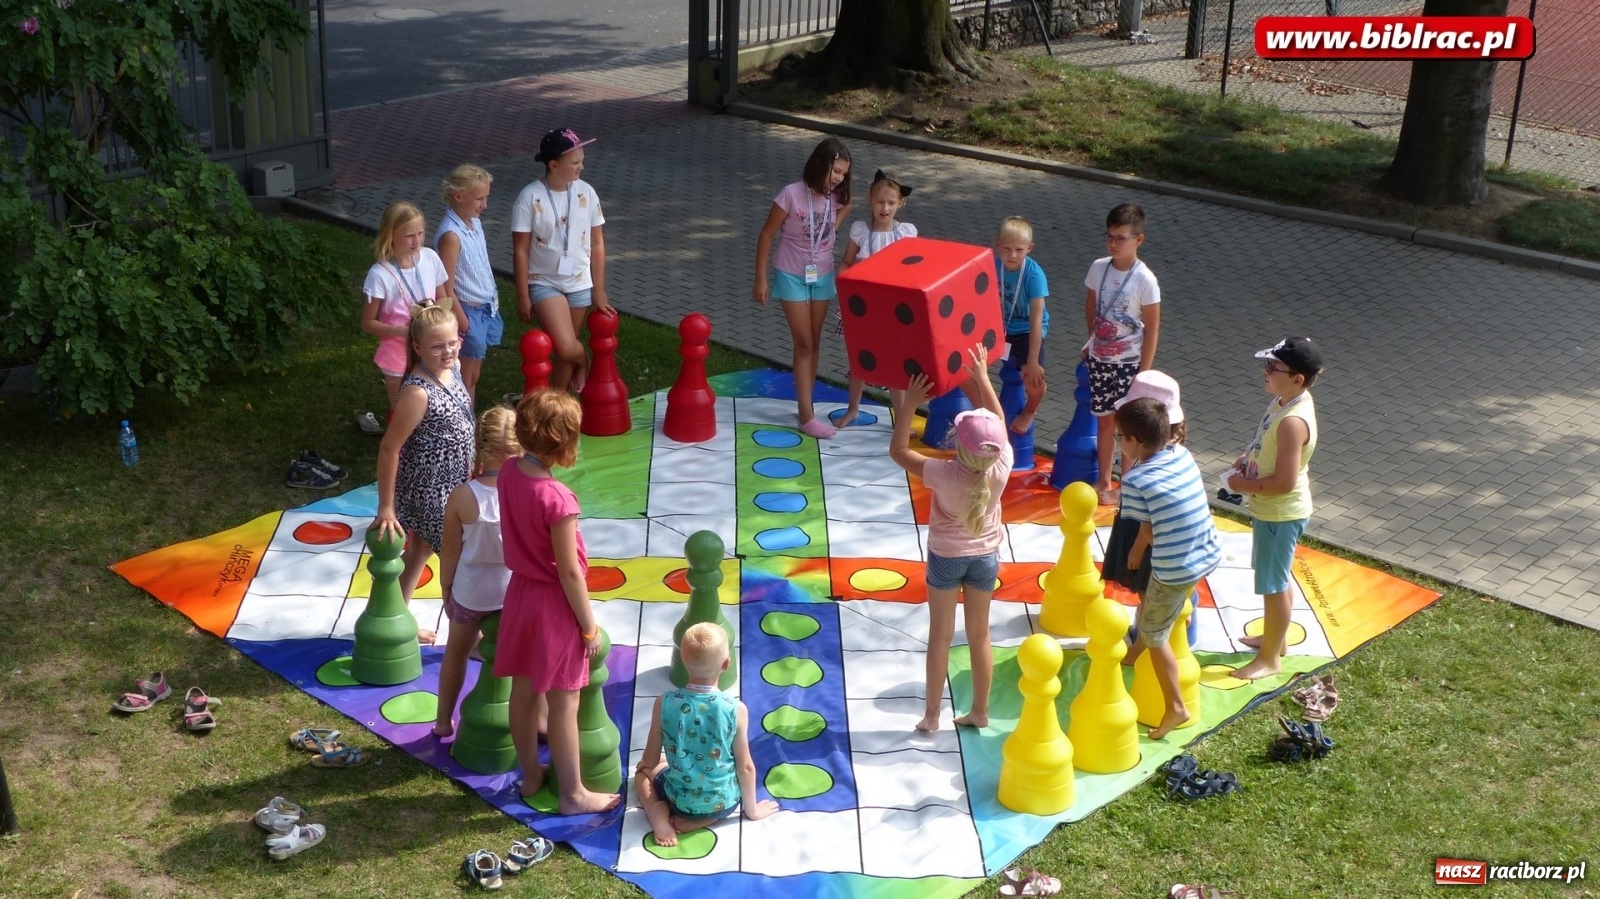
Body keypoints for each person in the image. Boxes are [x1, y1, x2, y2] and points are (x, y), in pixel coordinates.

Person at [496, 389, 621, 816]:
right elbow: (569, 573)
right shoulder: (558, 499)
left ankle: (531, 774)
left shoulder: (509, 470)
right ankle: (573, 794)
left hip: (520, 594)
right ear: (565, 441)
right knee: (565, 703)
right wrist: (588, 627)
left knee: (523, 691)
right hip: (552, 604)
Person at [888, 345, 1012, 733]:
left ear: (957, 443)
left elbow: (898, 450)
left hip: (945, 558)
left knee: (940, 638)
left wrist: (910, 404)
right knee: (980, 635)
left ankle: (931, 715)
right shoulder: (1002, 464)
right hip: (985, 557)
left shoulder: (942, 473)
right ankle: (980, 711)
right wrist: (983, 378)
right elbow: (999, 421)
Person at [1113, 396, 1221, 739]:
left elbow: (1147, 529)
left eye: (1119, 436)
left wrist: (1136, 550)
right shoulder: (1181, 453)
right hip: (1208, 551)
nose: (1118, 442)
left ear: (1134, 441)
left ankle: (1175, 706)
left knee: (1154, 632)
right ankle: (1149, 640)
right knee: (1163, 609)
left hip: (1176, 567)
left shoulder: (1136, 480)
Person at [374, 304, 476, 645]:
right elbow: (389, 449)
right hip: (430, 491)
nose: (447, 351)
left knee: (419, 551)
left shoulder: (453, 368)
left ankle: (395, 617)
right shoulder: (418, 393)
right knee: (460, 561)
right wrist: (387, 507)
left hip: (455, 483)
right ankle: (470, 637)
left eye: (453, 342)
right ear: (417, 348)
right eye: (437, 347)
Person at [1223, 337, 1323, 681]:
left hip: (1279, 514)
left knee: (1273, 585)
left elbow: (1284, 482)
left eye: (1273, 367)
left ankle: (1269, 659)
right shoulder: (1283, 402)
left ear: (1297, 378)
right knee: (1276, 579)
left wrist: (1242, 486)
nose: (1265, 371)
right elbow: (1266, 443)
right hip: (1273, 512)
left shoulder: (1294, 421)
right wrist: (1246, 458)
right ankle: (1275, 641)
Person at [635, 623, 779, 845]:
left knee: (642, 775)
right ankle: (706, 818)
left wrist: (645, 765)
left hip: (680, 801)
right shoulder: (736, 709)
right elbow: (745, 767)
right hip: (725, 802)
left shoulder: (664, 703)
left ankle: (658, 816)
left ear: (682, 660)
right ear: (726, 664)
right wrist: (752, 810)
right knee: (714, 790)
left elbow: (651, 759)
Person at [752, 138, 853, 439]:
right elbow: (766, 235)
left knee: (814, 341)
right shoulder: (790, 194)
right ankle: (806, 416)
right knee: (804, 342)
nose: (839, 178)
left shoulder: (836, 195)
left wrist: (835, 225)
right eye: (836, 171)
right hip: (791, 274)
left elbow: (843, 210)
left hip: (822, 274)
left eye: (844, 173)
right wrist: (760, 278)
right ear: (821, 164)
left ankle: (805, 404)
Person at [433, 406, 522, 740]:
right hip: (514, 595)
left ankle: (443, 721)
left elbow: (449, 552)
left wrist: (446, 589)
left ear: (479, 446)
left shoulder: (462, 496)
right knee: (524, 661)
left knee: (455, 654)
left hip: (470, 594)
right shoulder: (527, 493)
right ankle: (531, 722)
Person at [511, 129, 613, 393]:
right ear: (553, 165)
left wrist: (599, 290)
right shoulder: (529, 196)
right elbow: (520, 250)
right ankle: (584, 360)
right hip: (544, 281)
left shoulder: (587, 192)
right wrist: (523, 296)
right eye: (575, 162)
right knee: (566, 346)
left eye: (581, 160)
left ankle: (557, 400)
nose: (581, 166)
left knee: (564, 350)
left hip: (579, 281)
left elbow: (598, 243)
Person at [1083, 203, 1161, 506]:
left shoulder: (1145, 280)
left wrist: (1144, 372)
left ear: (1138, 240)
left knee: (1127, 427)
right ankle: (1103, 480)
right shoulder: (1098, 267)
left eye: (1121, 238)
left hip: (1129, 363)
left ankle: (1125, 485)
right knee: (1104, 422)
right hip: (1100, 360)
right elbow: (1091, 306)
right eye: (1109, 237)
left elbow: (1152, 329)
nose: (1113, 244)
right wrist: (1092, 341)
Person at [836, 170, 917, 428]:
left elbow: (913, 269)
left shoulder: (906, 234)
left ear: (901, 203)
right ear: (870, 200)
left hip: (894, 308)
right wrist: (846, 281)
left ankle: (901, 418)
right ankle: (853, 409)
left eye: (891, 203)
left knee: (895, 362)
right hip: (864, 306)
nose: (885, 208)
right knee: (860, 357)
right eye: (880, 202)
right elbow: (846, 262)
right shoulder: (860, 230)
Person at [362, 201, 455, 408]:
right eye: (409, 235)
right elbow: (367, 323)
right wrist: (401, 331)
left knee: (435, 400)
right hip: (399, 349)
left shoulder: (430, 257)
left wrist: (435, 315)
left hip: (432, 343)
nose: (417, 241)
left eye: (420, 234)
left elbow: (442, 296)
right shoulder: (379, 274)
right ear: (391, 235)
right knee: (402, 406)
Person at [436, 164, 500, 404]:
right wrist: (465, 324)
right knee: (466, 378)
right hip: (468, 311)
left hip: (484, 307)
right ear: (459, 196)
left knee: (473, 375)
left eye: (487, 197)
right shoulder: (451, 236)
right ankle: (465, 420)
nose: (485, 205)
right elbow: (446, 286)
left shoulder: (475, 223)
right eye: (479, 198)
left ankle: (467, 418)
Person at [994, 216, 1050, 436]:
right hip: (1001, 326)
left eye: (1019, 250)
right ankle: (986, 406)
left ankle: (1030, 410)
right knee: (969, 361)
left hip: (1027, 330)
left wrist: (1033, 361)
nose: (1012, 255)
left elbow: (1036, 319)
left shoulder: (1034, 275)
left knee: (1033, 378)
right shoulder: (993, 265)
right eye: (1006, 249)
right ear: (998, 244)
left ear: (1029, 248)